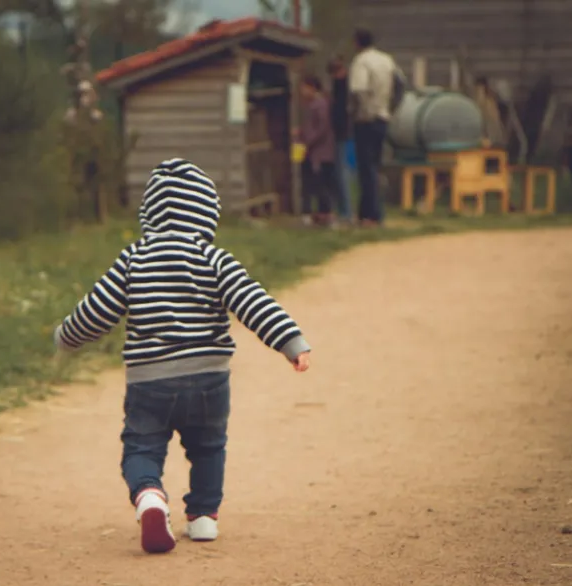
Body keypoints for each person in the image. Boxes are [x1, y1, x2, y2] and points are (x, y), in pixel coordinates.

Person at [53, 158, 312, 554]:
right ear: (208, 211)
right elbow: (252, 301)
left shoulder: (133, 259)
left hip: (149, 383)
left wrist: (66, 337)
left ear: (149, 212)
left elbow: (97, 310)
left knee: (142, 448)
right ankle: (204, 517)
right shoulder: (213, 258)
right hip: (209, 379)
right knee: (209, 446)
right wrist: (290, 342)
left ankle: (151, 497)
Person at [348, 28, 398, 227]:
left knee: (365, 168)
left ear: (357, 42)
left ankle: (372, 215)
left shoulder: (361, 61)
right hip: (383, 117)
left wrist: (360, 113)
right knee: (375, 166)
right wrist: (390, 108)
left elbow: (358, 90)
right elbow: (400, 85)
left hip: (366, 120)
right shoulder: (386, 60)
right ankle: (366, 212)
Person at [297, 74, 338, 228]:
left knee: (320, 183)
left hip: (320, 152)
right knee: (313, 183)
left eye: (304, 87)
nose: (302, 91)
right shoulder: (312, 104)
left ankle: (326, 214)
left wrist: (308, 140)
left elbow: (321, 127)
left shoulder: (320, 104)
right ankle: (319, 214)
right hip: (314, 151)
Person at [328, 56, 353, 222]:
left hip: (342, 133)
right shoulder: (341, 86)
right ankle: (343, 210)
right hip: (341, 133)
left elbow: (340, 112)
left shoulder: (343, 87)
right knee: (339, 172)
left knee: (341, 172)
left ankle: (345, 212)